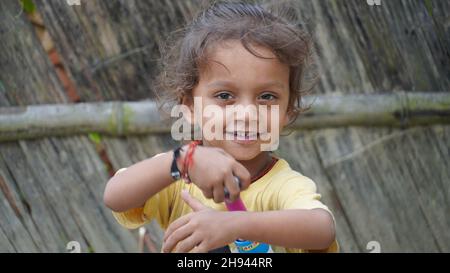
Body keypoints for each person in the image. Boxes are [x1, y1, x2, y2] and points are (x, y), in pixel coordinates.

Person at [104, 1, 337, 253]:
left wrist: (235, 225)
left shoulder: (282, 187)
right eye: (225, 96)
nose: (247, 114)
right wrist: (182, 162)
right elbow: (115, 197)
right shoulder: (179, 178)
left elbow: (322, 230)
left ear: (288, 110)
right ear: (190, 106)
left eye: (267, 97)